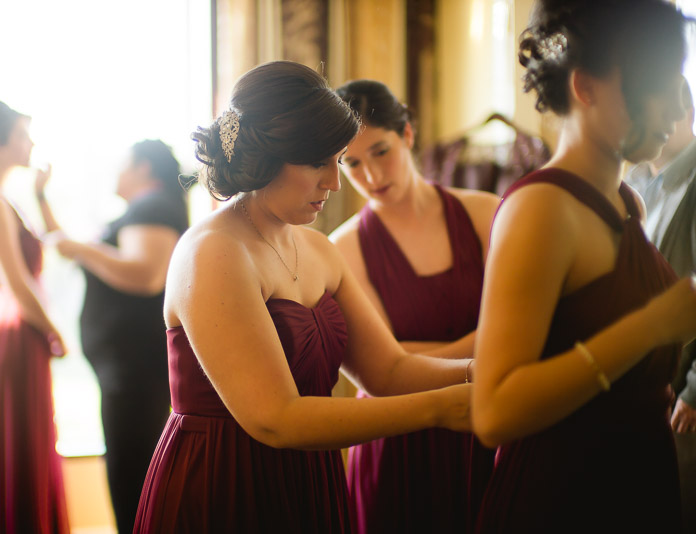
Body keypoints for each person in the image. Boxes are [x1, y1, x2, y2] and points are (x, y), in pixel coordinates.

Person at [133, 60, 474, 534]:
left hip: (309, 476)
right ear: (268, 157)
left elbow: (389, 370)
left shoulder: (317, 247)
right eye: (319, 163)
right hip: (226, 484)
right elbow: (277, 418)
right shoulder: (213, 252)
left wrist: (476, 371)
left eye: (337, 161)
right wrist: (444, 408)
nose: (334, 184)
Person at [471, 1, 696, 533]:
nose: (673, 107)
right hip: (565, 496)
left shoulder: (626, 201)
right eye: (655, 84)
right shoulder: (541, 211)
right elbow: (494, 411)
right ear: (586, 87)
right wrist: (651, 328)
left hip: (635, 481)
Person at [330, 79, 498, 534]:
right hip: (398, 442)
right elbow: (380, 375)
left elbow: (393, 362)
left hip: (491, 424)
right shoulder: (341, 249)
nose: (370, 176)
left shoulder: (487, 214)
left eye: (381, 151)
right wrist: (491, 342)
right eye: (352, 163)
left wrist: (406, 356)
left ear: (407, 134)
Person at [35, 141, 188, 534]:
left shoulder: (151, 208)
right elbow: (70, 248)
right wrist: (41, 198)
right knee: (129, 462)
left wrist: (82, 249)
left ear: (143, 169)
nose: (115, 173)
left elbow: (144, 273)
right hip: (127, 368)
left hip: (134, 367)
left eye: (123, 165)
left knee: (131, 466)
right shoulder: (141, 211)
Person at [0, 98, 69, 534]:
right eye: (23, 135)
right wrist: (55, 331)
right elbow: (17, 283)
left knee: (25, 445)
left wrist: (41, 193)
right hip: (11, 332)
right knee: (19, 447)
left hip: (8, 328)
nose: (31, 143)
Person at [625, 78, 696, 532]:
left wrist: (695, 388)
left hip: (684, 387)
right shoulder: (636, 179)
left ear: (684, 115)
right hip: (644, 387)